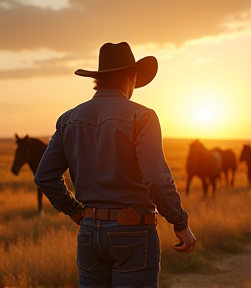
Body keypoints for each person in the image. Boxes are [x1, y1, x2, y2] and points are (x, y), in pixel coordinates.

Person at [34, 42, 196, 288]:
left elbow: (44, 176)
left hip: (88, 232)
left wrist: (75, 211)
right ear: (131, 77)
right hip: (133, 232)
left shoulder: (68, 119)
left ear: (98, 80)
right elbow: (155, 179)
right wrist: (179, 222)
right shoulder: (142, 117)